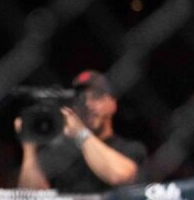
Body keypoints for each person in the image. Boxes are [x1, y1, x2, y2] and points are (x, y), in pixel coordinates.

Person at [16, 70, 147, 191]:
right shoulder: (61, 154)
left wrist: (80, 133)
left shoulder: (131, 148)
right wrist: (29, 148)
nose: (88, 105)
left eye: (96, 96)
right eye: (80, 99)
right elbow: (32, 196)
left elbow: (121, 176)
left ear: (112, 104)